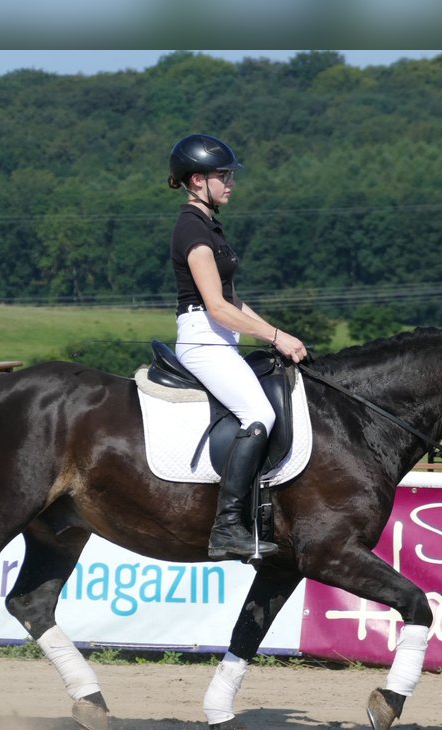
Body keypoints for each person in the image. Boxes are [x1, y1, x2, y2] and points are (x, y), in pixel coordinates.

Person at [167, 133, 307, 562]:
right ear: (196, 180)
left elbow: (233, 300)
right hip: (204, 340)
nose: (230, 183)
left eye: (228, 175)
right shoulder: (191, 228)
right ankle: (228, 526)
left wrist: (277, 333)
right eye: (221, 176)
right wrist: (275, 337)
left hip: (220, 339)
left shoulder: (211, 226)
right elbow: (216, 307)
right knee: (259, 414)